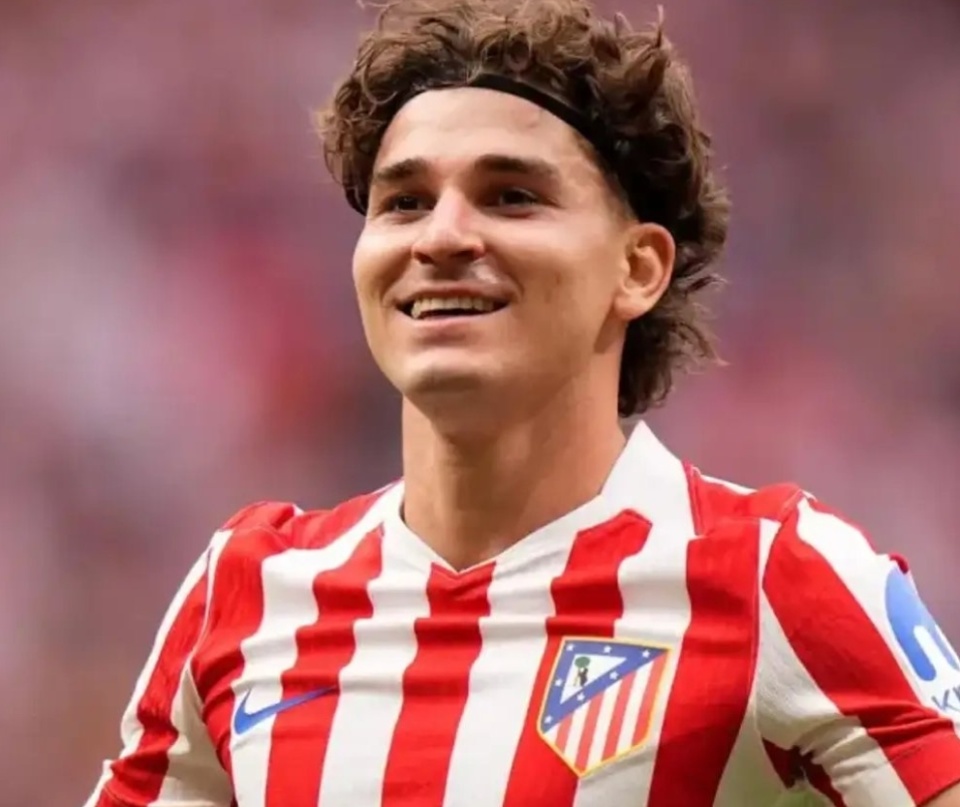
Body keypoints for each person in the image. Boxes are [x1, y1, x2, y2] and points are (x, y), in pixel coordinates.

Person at [83, 1, 960, 805]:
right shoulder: (247, 593)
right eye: (404, 202)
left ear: (638, 268)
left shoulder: (778, 576)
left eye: (511, 196)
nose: (442, 235)